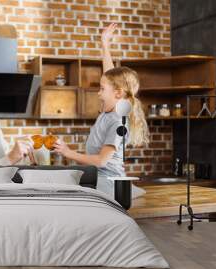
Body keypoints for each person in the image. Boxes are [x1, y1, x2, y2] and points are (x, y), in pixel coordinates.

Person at [53, 23, 149, 199]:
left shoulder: (118, 121)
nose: (98, 93)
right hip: (99, 178)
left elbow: (101, 161)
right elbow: (111, 76)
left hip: (108, 183)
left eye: (101, 89)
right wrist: (104, 45)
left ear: (117, 93)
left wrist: (68, 153)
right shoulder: (110, 111)